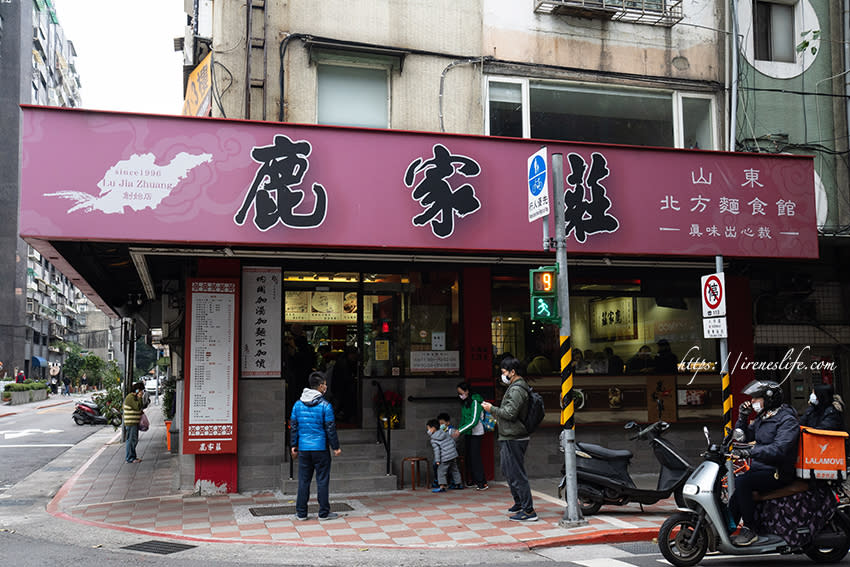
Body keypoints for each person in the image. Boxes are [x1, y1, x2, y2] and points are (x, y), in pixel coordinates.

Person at [729, 379, 799, 546]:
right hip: (762, 468)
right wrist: (743, 418)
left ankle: (750, 529)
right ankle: (727, 528)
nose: (752, 401)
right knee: (737, 491)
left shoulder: (787, 420)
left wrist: (751, 451)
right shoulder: (764, 417)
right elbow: (744, 437)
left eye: (756, 398)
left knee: (742, 482)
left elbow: (780, 449)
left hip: (779, 471)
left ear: (769, 399)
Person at [481, 356, 537, 522]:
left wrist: (492, 409)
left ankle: (528, 511)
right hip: (509, 435)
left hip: (515, 436)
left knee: (517, 473)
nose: (502, 375)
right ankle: (519, 502)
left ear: (513, 372)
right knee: (508, 470)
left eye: (504, 372)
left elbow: (510, 414)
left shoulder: (517, 389)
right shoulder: (514, 387)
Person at [290, 371, 342, 521]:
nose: (326, 387)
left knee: (303, 481)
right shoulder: (326, 406)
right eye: (325, 384)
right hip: (320, 449)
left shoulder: (297, 405)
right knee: (322, 480)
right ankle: (324, 513)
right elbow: (330, 428)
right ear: (320, 386)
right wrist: (336, 447)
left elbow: (294, 426)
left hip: (304, 449)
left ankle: (301, 513)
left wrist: (293, 445)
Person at [456, 381, 488, 490]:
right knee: (469, 457)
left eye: (461, 393)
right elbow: (464, 419)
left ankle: (482, 482)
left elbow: (473, 421)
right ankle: (473, 480)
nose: (460, 395)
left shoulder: (475, 402)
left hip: (476, 433)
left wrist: (460, 430)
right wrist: (460, 430)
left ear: (467, 391)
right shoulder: (466, 403)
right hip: (468, 433)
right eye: (459, 393)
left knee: (475, 457)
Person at [427, 418, 462, 493]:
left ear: (433, 429)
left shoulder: (433, 439)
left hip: (445, 457)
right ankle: (458, 484)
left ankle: (442, 486)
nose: (428, 430)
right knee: (455, 469)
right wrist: (453, 451)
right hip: (453, 454)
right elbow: (452, 442)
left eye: (428, 428)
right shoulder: (444, 433)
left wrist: (437, 461)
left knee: (440, 471)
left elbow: (437, 451)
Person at [122, 382, 147, 464]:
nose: (142, 392)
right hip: (131, 422)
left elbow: (141, 406)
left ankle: (133, 456)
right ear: (137, 390)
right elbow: (137, 407)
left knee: (134, 440)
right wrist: (139, 397)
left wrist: (139, 398)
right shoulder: (130, 397)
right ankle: (129, 458)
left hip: (134, 422)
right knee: (131, 440)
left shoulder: (134, 397)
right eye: (141, 390)